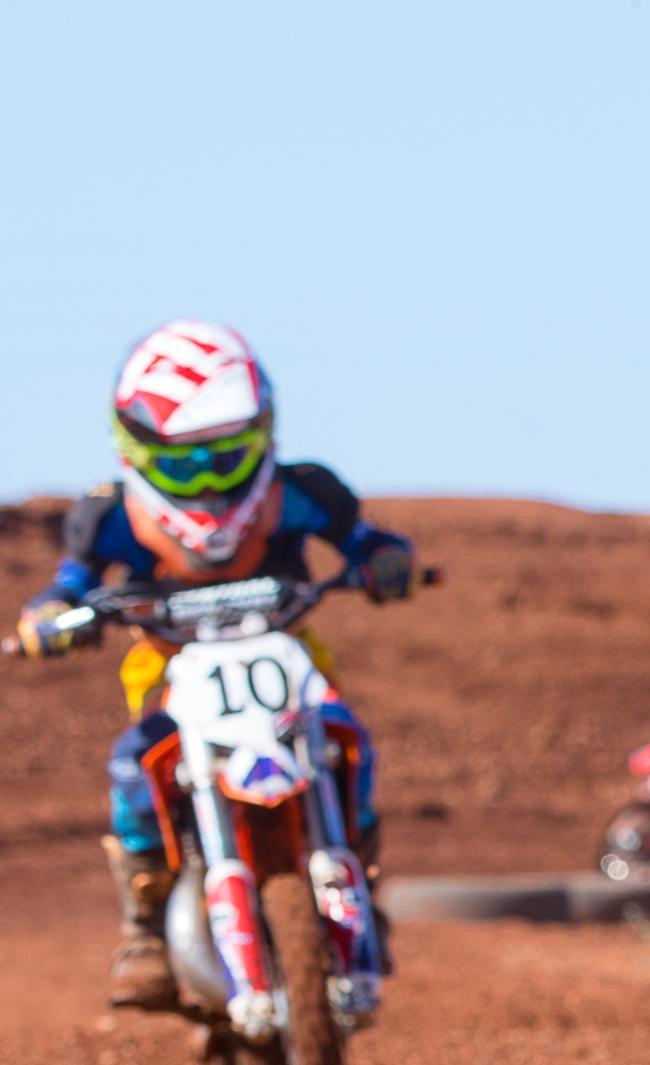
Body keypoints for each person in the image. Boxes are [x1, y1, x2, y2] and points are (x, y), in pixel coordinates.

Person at [13, 320, 415, 1010]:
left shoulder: (302, 491)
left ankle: (359, 885)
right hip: (168, 660)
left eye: (223, 460)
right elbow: (69, 583)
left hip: (285, 649)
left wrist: (385, 560)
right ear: (137, 451)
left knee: (350, 743)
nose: (205, 481)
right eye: (184, 464)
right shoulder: (111, 516)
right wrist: (52, 616)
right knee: (135, 765)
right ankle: (143, 927)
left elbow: (365, 539)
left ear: (262, 438)